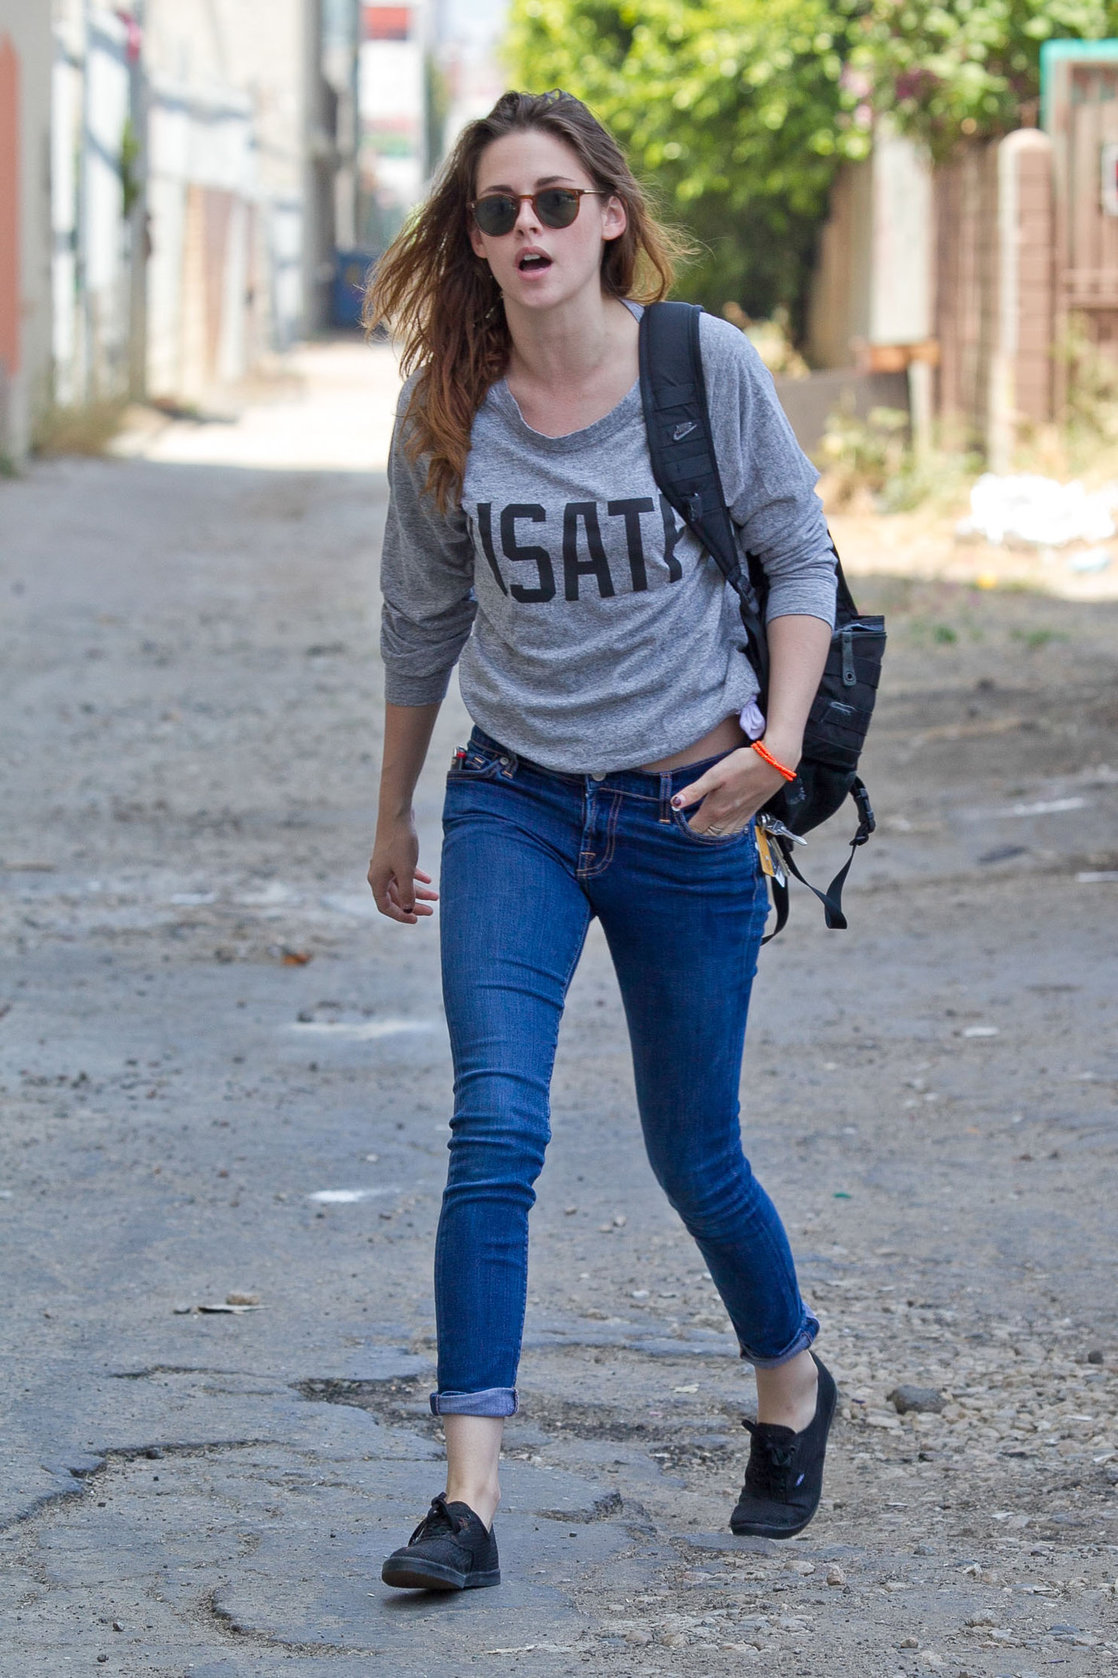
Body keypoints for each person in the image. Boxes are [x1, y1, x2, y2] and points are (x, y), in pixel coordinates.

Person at [366, 89, 838, 1594]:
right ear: (472, 236)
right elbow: (419, 617)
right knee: (494, 1126)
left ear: (609, 214)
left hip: (689, 805)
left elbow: (797, 557)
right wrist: (390, 806)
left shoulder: (699, 366)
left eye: (553, 202)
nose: (526, 231)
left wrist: (771, 750)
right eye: (496, 210)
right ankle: (468, 1497)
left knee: (694, 1152)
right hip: (512, 798)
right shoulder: (448, 401)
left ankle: (789, 1384)